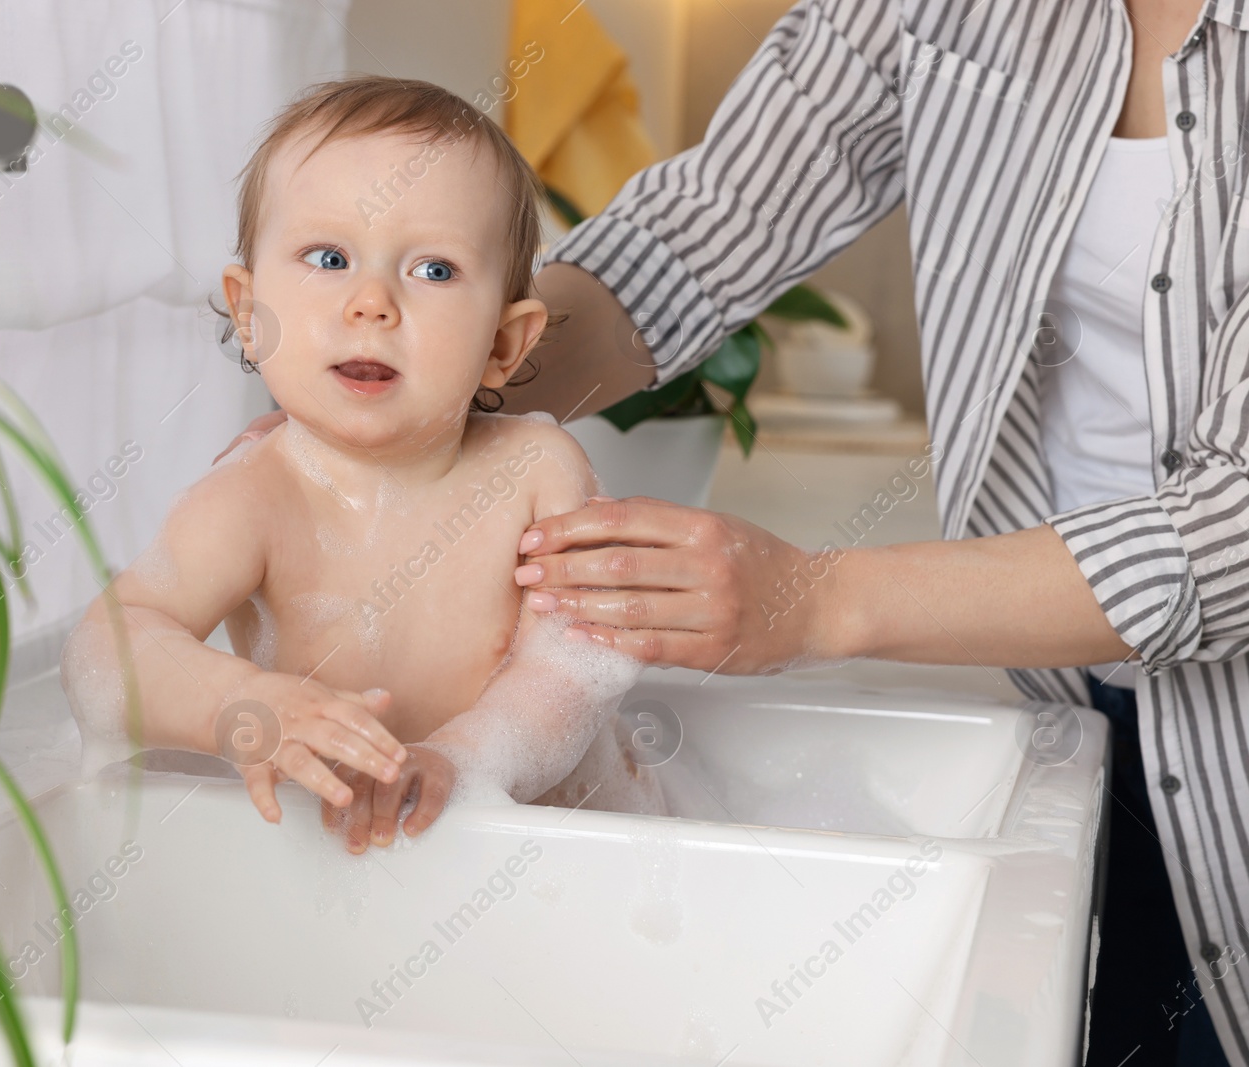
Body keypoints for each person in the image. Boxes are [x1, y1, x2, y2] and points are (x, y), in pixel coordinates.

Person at [220, 2, 1249, 1063]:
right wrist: (405, 407)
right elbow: (700, 229)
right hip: (1074, 707)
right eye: (324, 262)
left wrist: (815, 597)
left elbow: (1234, 530)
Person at [60, 74, 666, 859]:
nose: (371, 302)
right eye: (329, 256)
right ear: (250, 314)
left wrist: (464, 760)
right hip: (340, 863)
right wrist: (242, 703)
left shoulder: (538, 474)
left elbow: (568, 674)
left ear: (504, 345)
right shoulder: (255, 493)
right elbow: (105, 649)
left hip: (540, 858)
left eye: (434, 270)